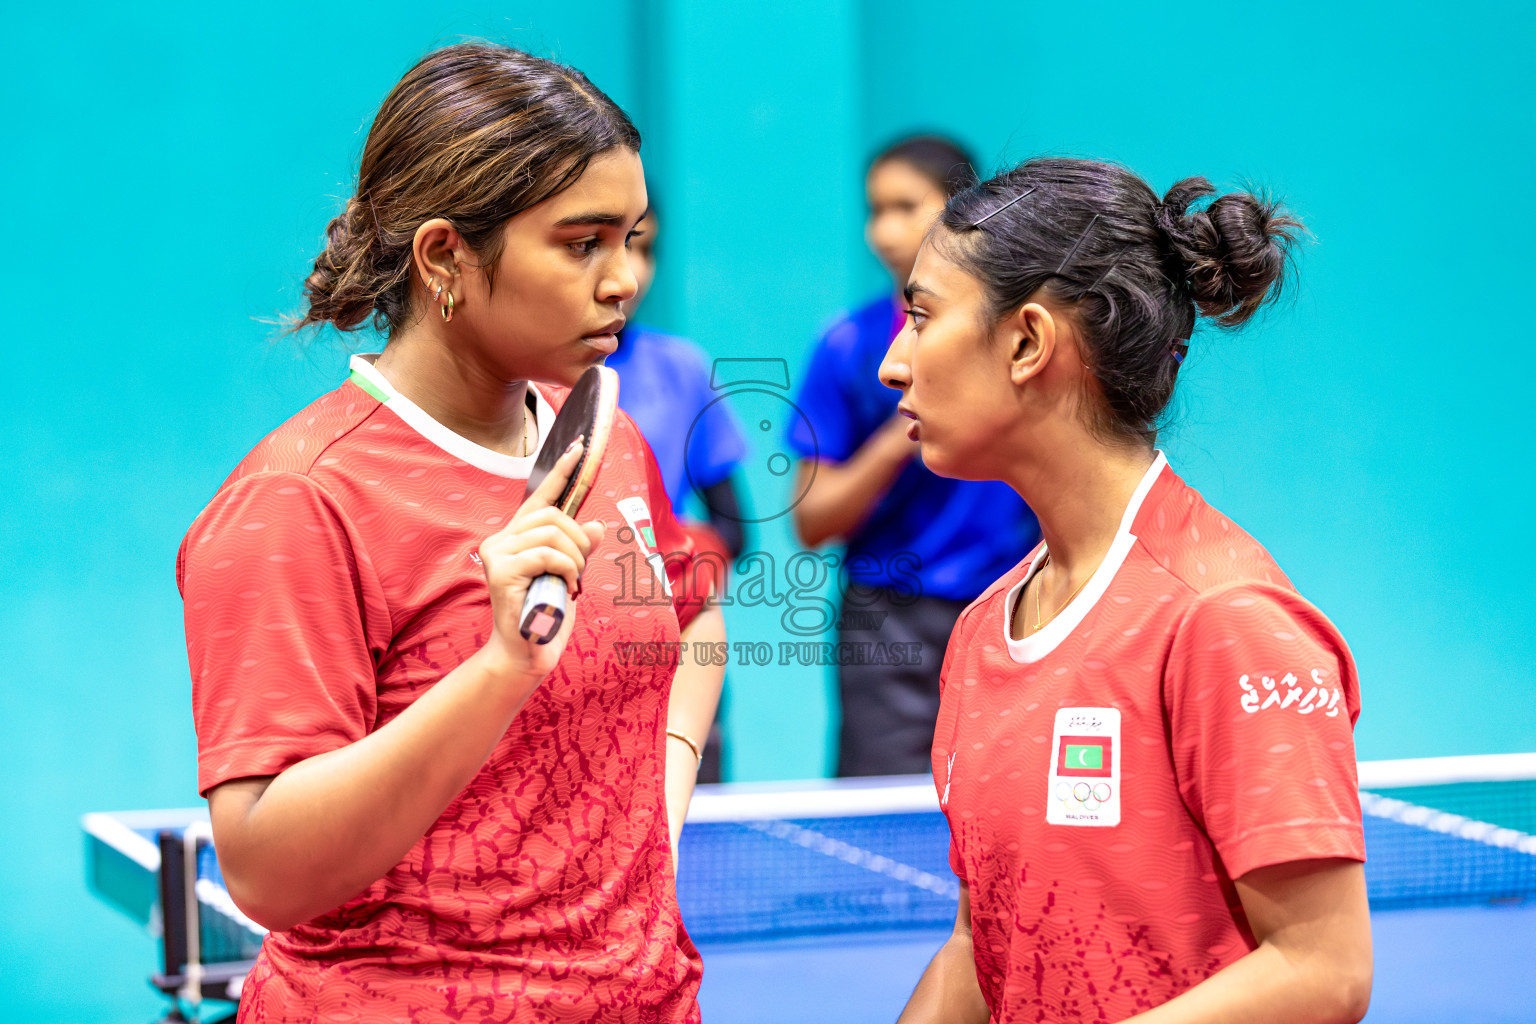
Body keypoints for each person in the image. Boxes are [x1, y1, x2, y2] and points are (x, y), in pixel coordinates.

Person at [178, 44, 725, 1022]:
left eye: (634, 238)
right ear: (445, 258)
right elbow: (263, 867)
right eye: (582, 242)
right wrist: (499, 668)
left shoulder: (606, 433)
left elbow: (693, 619)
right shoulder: (300, 503)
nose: (623, 280)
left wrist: (657, 823)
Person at [885, 158, 1372, 1022]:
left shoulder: (1223, 619)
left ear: (1028, 342)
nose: (894, 363)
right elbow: (981, 939)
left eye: (922, 315)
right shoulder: (984, 629)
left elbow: (1322, 971)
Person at [787, 136, 1041, 777]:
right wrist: (916, 418)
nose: (885, 231)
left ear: (965, 212)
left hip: (1013, 605)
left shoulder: (1020, 337)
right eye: (875, 210)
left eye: (906, 207)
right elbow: (812, 521)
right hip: (887, 623)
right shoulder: (849, 348)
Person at [606, 201, 747, 782]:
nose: (630, 271)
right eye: (606, 245)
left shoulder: (682, 368)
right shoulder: (525, 378)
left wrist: (673, 571)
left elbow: (736, 528)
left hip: (676, 642)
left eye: (643, 247)